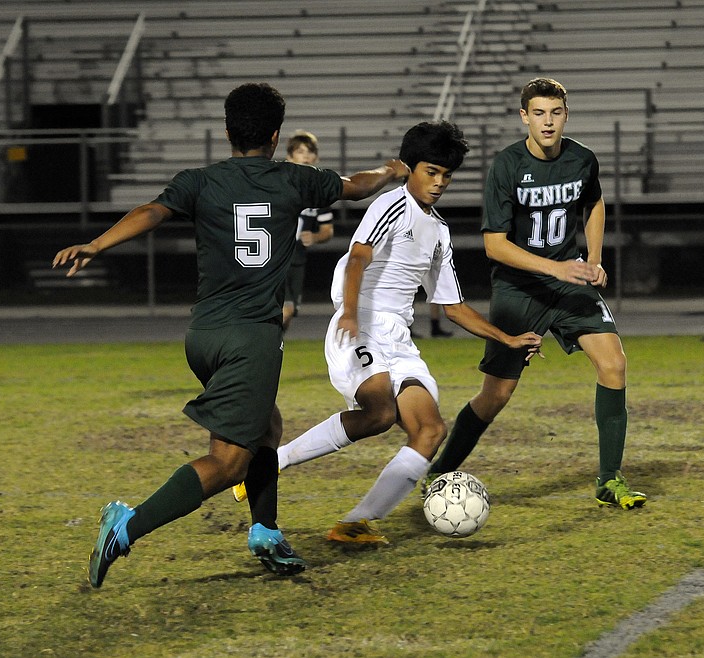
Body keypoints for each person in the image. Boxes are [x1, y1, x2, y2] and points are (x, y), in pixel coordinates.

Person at [52, 82, 410, 588]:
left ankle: (265, 530)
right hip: (252, 338)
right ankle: (126, 527)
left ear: (227, 132)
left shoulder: (200, 181)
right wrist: (392, 172)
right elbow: (355, 185)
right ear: (275, 134)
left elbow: (152, 211)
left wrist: (97, 243)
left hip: (204, 335)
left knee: (267, 426)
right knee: (227, 462)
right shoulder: (295, 180)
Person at [262, 121, 542, 544]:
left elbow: (450, 306)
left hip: (398, 338)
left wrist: (506, 338)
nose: (439, 183)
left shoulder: (440, 231)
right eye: (431, 171)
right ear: (411, 168)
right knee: (380, 414)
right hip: (360, 325)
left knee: (430, 430)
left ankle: (357, 522)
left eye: (446, 175)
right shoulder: (392, 204)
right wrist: (352, 314)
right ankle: (271, 463)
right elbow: (358, 258)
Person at [425, 78, 647, 510]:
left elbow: (594, 202)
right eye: (539, 113)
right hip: (518, 289)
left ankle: (609, 480)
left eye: (556, 112)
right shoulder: (507, 165)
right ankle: (439, 471)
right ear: (524, 116)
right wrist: (557, 267)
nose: (548, 121)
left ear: (567, 114)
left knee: (614, 363)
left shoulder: (583, 159)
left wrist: (594, 259)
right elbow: (494, 244)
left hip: (569, 284)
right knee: (496, 396)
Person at [282, 130, 335, 331]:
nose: (305, 156)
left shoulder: (319, 195)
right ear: (289, 157)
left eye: (310, 151)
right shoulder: (280, 186)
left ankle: (273, 351)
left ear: (316, 157)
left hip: (297, 259)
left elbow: (327, 230)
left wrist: (315, 236)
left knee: (290, 312)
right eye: (300, 151)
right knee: (283, 310)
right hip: (275, 258)